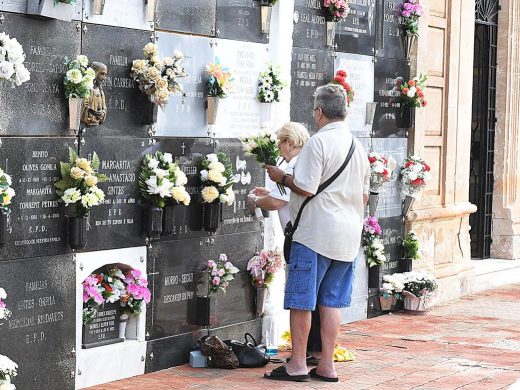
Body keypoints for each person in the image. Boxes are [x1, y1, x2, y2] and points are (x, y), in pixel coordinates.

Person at [264, 84, 370, 382]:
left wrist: (281, 176)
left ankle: (297, 364)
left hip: (314, 235)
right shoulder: (357, 146)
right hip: (347, 237)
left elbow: (307, 187)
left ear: (319, 112)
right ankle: (327, 365)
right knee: (331, 302)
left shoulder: (318, 143)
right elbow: (363, 197)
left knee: (302, 300)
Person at [247, 122, 322, 365]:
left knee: (301, 296)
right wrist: (266, 193)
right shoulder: (300, 162)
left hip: (297, 235)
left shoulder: (291, 165)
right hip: (307, 233)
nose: (278, 147)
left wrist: (256, 202)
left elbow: (279, 202)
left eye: (280, 141)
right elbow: (282, 196)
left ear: (289, 142)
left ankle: (304, 353)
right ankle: (312, 350)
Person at [81, 62, 108, 126]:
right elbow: (83, 105)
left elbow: (104, 108)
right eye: (102, 74)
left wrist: (102, 113)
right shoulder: (87, 89)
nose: (104, 78)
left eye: (105, 74)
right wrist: (90, 110)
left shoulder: (101, 92)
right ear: (95, 73)